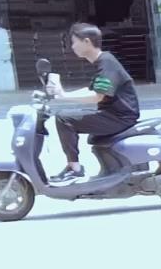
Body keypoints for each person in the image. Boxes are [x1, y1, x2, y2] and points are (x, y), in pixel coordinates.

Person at [50, 23, 139, 180]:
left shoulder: (106, 62)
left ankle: (74, 168)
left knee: (64, 119)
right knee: (65, 116)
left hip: (120, 117)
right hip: (112, 114)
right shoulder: (103, 62)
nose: (72, 47)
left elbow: (99, 96)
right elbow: (92, 91)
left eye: (74, 42)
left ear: (86, 42)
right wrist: (62, 94)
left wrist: (63, 96)